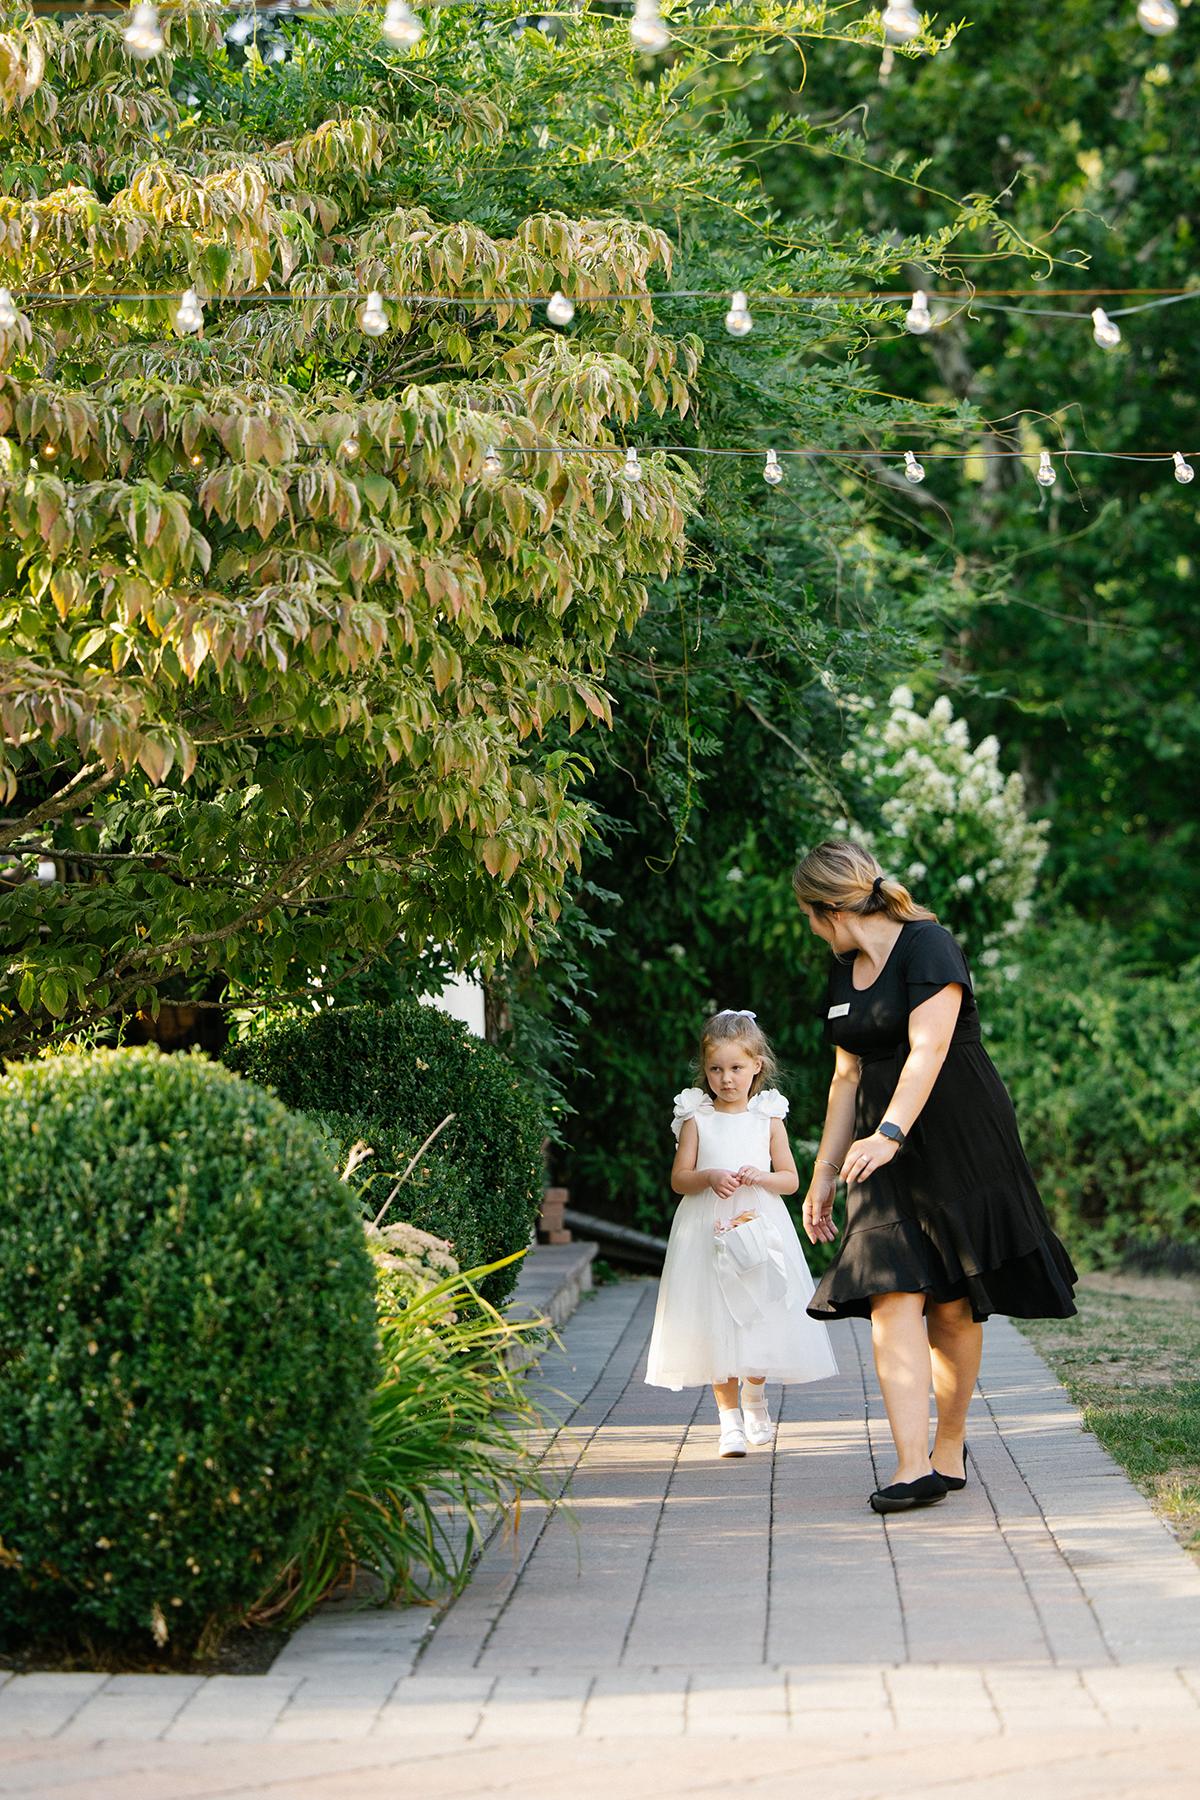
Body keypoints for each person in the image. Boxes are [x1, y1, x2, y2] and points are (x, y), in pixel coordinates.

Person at [793, 839, 1077, 1515]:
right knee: (890, 1291)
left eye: (808, 916)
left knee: (951, 1303)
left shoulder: (929, 946)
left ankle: (949, 1445)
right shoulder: (843, 970)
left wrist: (890, 1134)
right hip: (877, 1149)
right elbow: (845, 1078)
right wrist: (824, 1171)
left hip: (958, 1138)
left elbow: (931, 1047)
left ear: (830, 908)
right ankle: (910, 1466)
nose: (810, 929)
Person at [645, 1008, 838, 1456]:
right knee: (715, 1318)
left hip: (758, 1227)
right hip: (707, 1228)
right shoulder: (696, 1116)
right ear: (705, 1068)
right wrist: (709, 1176)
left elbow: (789, 1180)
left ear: (757, 1066)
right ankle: (728, 1420)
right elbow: (679, 1179)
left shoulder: (767, 1117)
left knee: (759, 1313)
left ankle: (754, 1398)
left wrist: (761, 1177)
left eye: (735, 1068)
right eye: (716, 1069)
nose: (726, 1078)